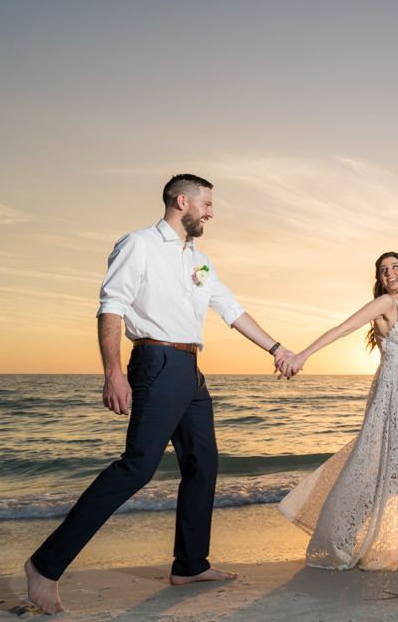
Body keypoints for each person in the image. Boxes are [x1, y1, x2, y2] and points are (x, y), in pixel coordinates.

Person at [25, 174, 293, 613]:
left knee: (202, 464)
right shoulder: (139, 244)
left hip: (190, 369)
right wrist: (112, 370)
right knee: (137, 468)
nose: (211, 212)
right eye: (206, 204)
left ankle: (189, 564)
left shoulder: (201, 260)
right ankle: (44, 565)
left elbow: (231, 309)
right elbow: (112, 304)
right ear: (181, 201)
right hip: (156, 361)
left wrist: (278, 349)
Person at [277, 251, 398, 570]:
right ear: (380, 279)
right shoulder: (386, 304)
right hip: (392, 395)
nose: (389, 273)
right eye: (383, 270)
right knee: (381, 466)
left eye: (395, 267)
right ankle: (342, 539)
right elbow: (343, 328)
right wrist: (303, 355)